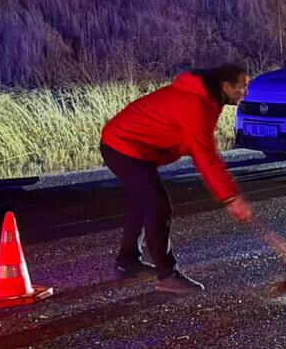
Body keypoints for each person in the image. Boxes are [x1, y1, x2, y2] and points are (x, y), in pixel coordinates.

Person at [100, 64, 254, 294]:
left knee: (142, 203)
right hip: (122, 146)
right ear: (226, 86)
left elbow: (197, 147)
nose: (246, 92)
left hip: (135, 148)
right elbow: (205, 156)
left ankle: (128, 263)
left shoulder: (207, 101)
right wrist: (231, 198)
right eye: (243, 86)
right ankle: (167, 275)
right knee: (157, 205)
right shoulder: (195, 104)